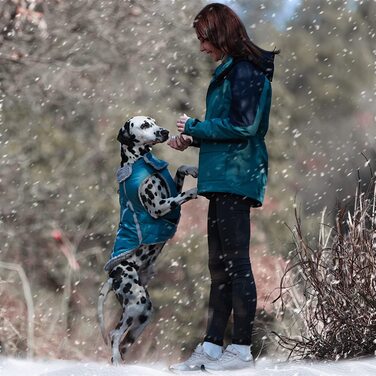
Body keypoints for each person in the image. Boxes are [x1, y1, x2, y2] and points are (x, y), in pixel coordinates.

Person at [168, 3, 279, 372]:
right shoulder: (231, 71)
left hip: (237, 175)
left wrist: (197, 128)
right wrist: (193, 138)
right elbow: (226, 128)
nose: (202, 48)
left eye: (204, 39)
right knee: (219, 267)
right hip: (222, 176)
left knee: (236, 265)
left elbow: (244, 126)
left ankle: (241, 349)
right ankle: (212, 348)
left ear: (219, 35)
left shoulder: (244, 71)